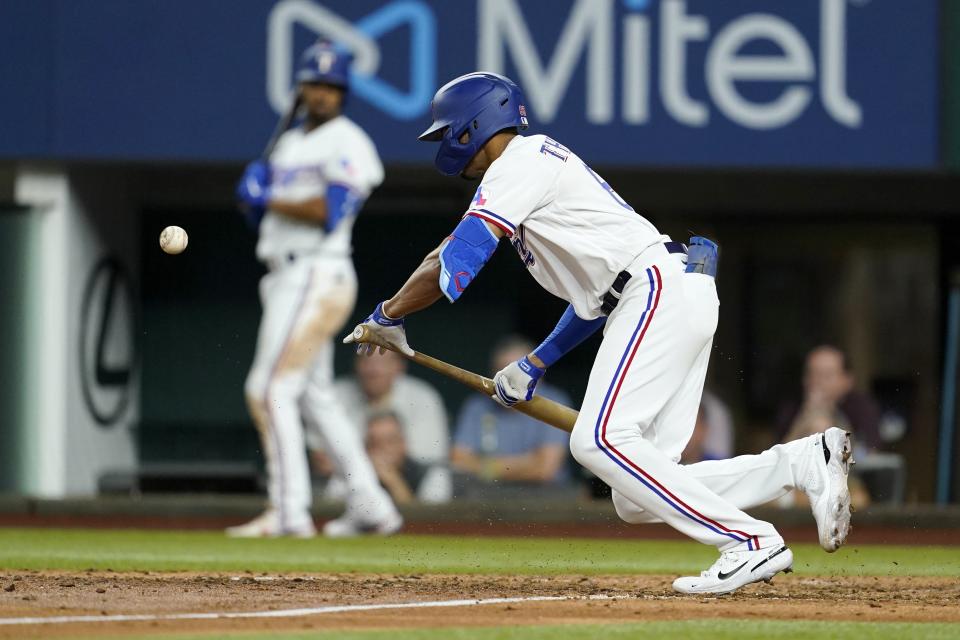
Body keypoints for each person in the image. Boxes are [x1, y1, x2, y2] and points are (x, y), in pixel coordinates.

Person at [343, 72, 854, 594]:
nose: (447, 142)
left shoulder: (519, 161)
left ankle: (747, 541)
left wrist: (387, 316)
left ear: (474, 126)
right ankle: (801, 461)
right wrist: (534, 363)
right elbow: (595, 301)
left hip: (657, 290)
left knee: (598, 440)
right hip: (668, 291)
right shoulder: (529, 171)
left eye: (450, 130)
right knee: (635, 494)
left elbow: (454, 262)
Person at [228, 42, 402, 538]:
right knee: (315, 398)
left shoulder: (349, 141)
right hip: (284, 274)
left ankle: (288, 512)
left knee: (267, 389)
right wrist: (255, 199)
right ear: (300, 88)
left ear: (342, 93)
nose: (321, 94)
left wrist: (271, 197)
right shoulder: (287, 146)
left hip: (316, 274)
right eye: (314, 84)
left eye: (331, 86)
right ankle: (371, 505)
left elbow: (331, 212)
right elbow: (268, 213)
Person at [310, 350, 452, 503]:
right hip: (353, 477)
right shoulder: (334, 394)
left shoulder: (423, 397)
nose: (374, 370)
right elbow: (321, 459)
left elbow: (428, 460)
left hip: (408, 480)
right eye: (367, 361)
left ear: (400, 366)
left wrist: (388, 476)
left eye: (383, 362)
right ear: (355, 365)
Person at [452, 336, 571, 487]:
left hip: (544, 496)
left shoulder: (554, 401)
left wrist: (486, 466)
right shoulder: (477, 406)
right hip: (487, 495)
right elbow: (459, 461)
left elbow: (545, 469)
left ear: (538, 375)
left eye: (521, 373)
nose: (513, 382)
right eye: (506, 375)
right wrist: (527, 462)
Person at [777, 345, 882, 452]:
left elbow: (871, 451)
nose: (817, 381)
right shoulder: (792, 406)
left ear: (847, 380)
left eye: (827, 375)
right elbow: (779, 454)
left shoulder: (861, 407)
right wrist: (806, 415)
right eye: (812, 374)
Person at [365, 411, 447, 504]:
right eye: (374, 443)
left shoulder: (431, 475)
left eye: (390, 441)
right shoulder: (358, 474)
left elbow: (423, 516)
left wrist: (393, 481)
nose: (382, 449)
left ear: (403, 444)